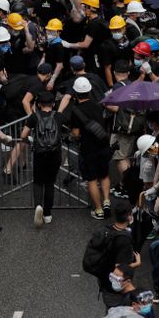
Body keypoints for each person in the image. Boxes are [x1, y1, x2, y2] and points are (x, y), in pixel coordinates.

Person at [70, 76, 112, 219]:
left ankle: (99, 210)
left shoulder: (76, 111)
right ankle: (107, 200)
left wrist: (75, 136)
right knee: (104, 175)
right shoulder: (99, 105)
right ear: (89, 91)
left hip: (88, 149)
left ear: (75, 93)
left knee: (92, 179)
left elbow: (76, 133)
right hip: (103, 145)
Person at [19, 91, 63, 227]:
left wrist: (31, 139)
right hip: (55, 154)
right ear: (53, 104)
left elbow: (23, 135)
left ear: (38, 105)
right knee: (50, 183)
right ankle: (48, 214)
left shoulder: (34, 117)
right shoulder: (59, 117)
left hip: (39, 153)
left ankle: (38, 206)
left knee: (38, 182)